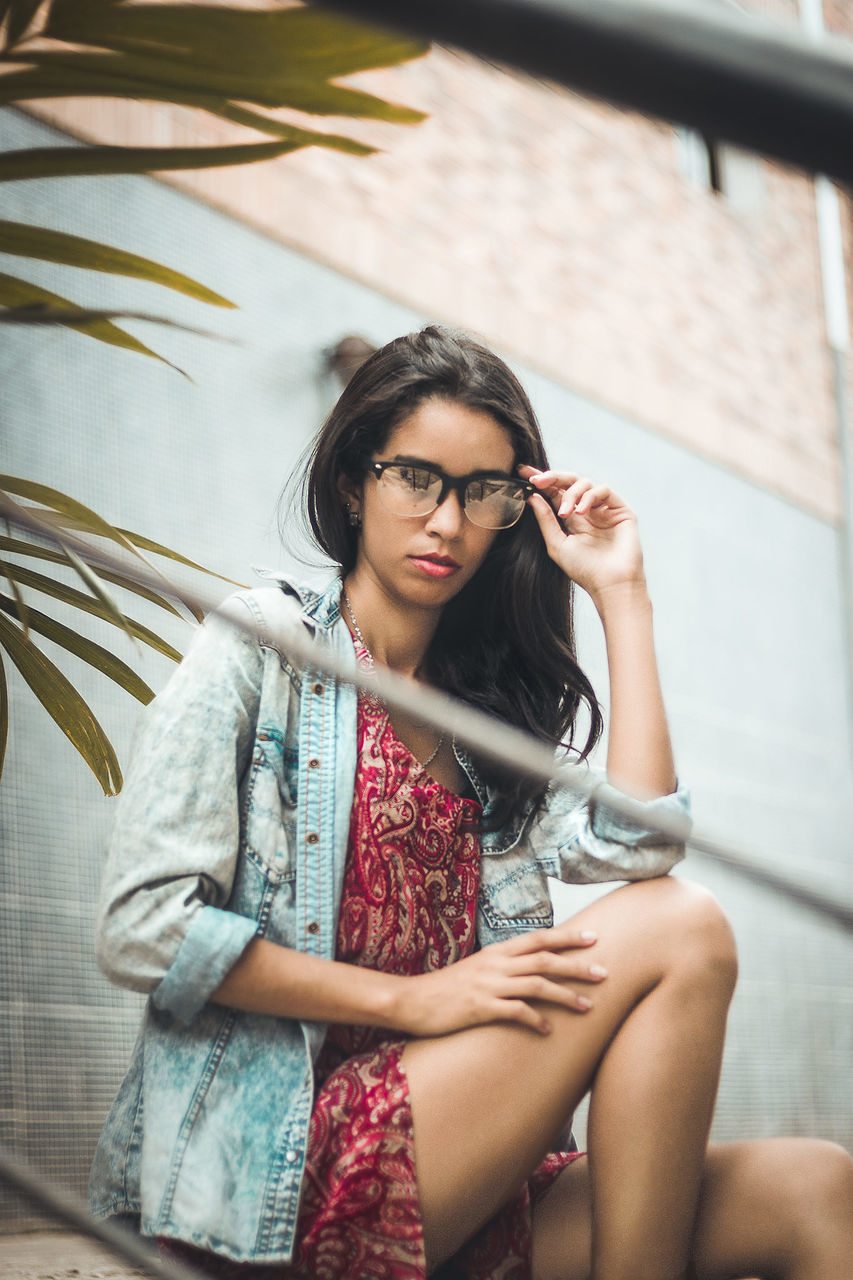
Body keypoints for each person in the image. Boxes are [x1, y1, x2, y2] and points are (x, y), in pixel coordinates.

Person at [89, 327, 853, 1280]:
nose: (445, 521)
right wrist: (413, 1000)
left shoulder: (482, 723)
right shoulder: (265, 646)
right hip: (273, 1174)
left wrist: (624, 594)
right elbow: (145, 928)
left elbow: (639, 846)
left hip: (459, 1164)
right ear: (351, 483)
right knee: (683, 928)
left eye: (482, 491)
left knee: (819, 1189)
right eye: (416, 477)